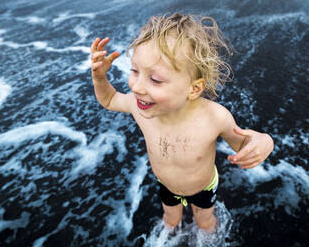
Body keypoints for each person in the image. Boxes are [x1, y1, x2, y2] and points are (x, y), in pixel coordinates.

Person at [89, 13, 274, 232]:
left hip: (203, 187)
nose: (137, 87)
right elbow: (109, 99)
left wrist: (264, 141)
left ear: (194, 88)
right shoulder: (138, 106)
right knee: (170, 219)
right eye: (135, 71)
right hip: (166, 185)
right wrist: (100, 79)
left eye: (155, 79)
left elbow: (242, 144)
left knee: (205, 222)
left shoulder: (215, 117)